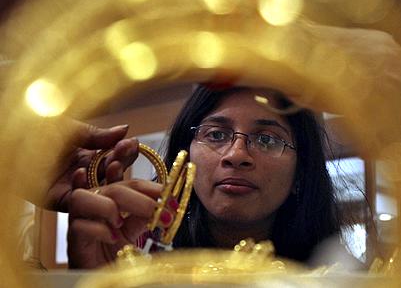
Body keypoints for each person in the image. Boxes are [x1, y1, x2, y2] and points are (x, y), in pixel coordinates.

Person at [67, 85, 341, 269]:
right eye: (216, 135)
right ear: (184, 158)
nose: (236, 155)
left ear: (300, 174)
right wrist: (93, 279)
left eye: (267, 140)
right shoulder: (132, 255)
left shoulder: (345, 278)